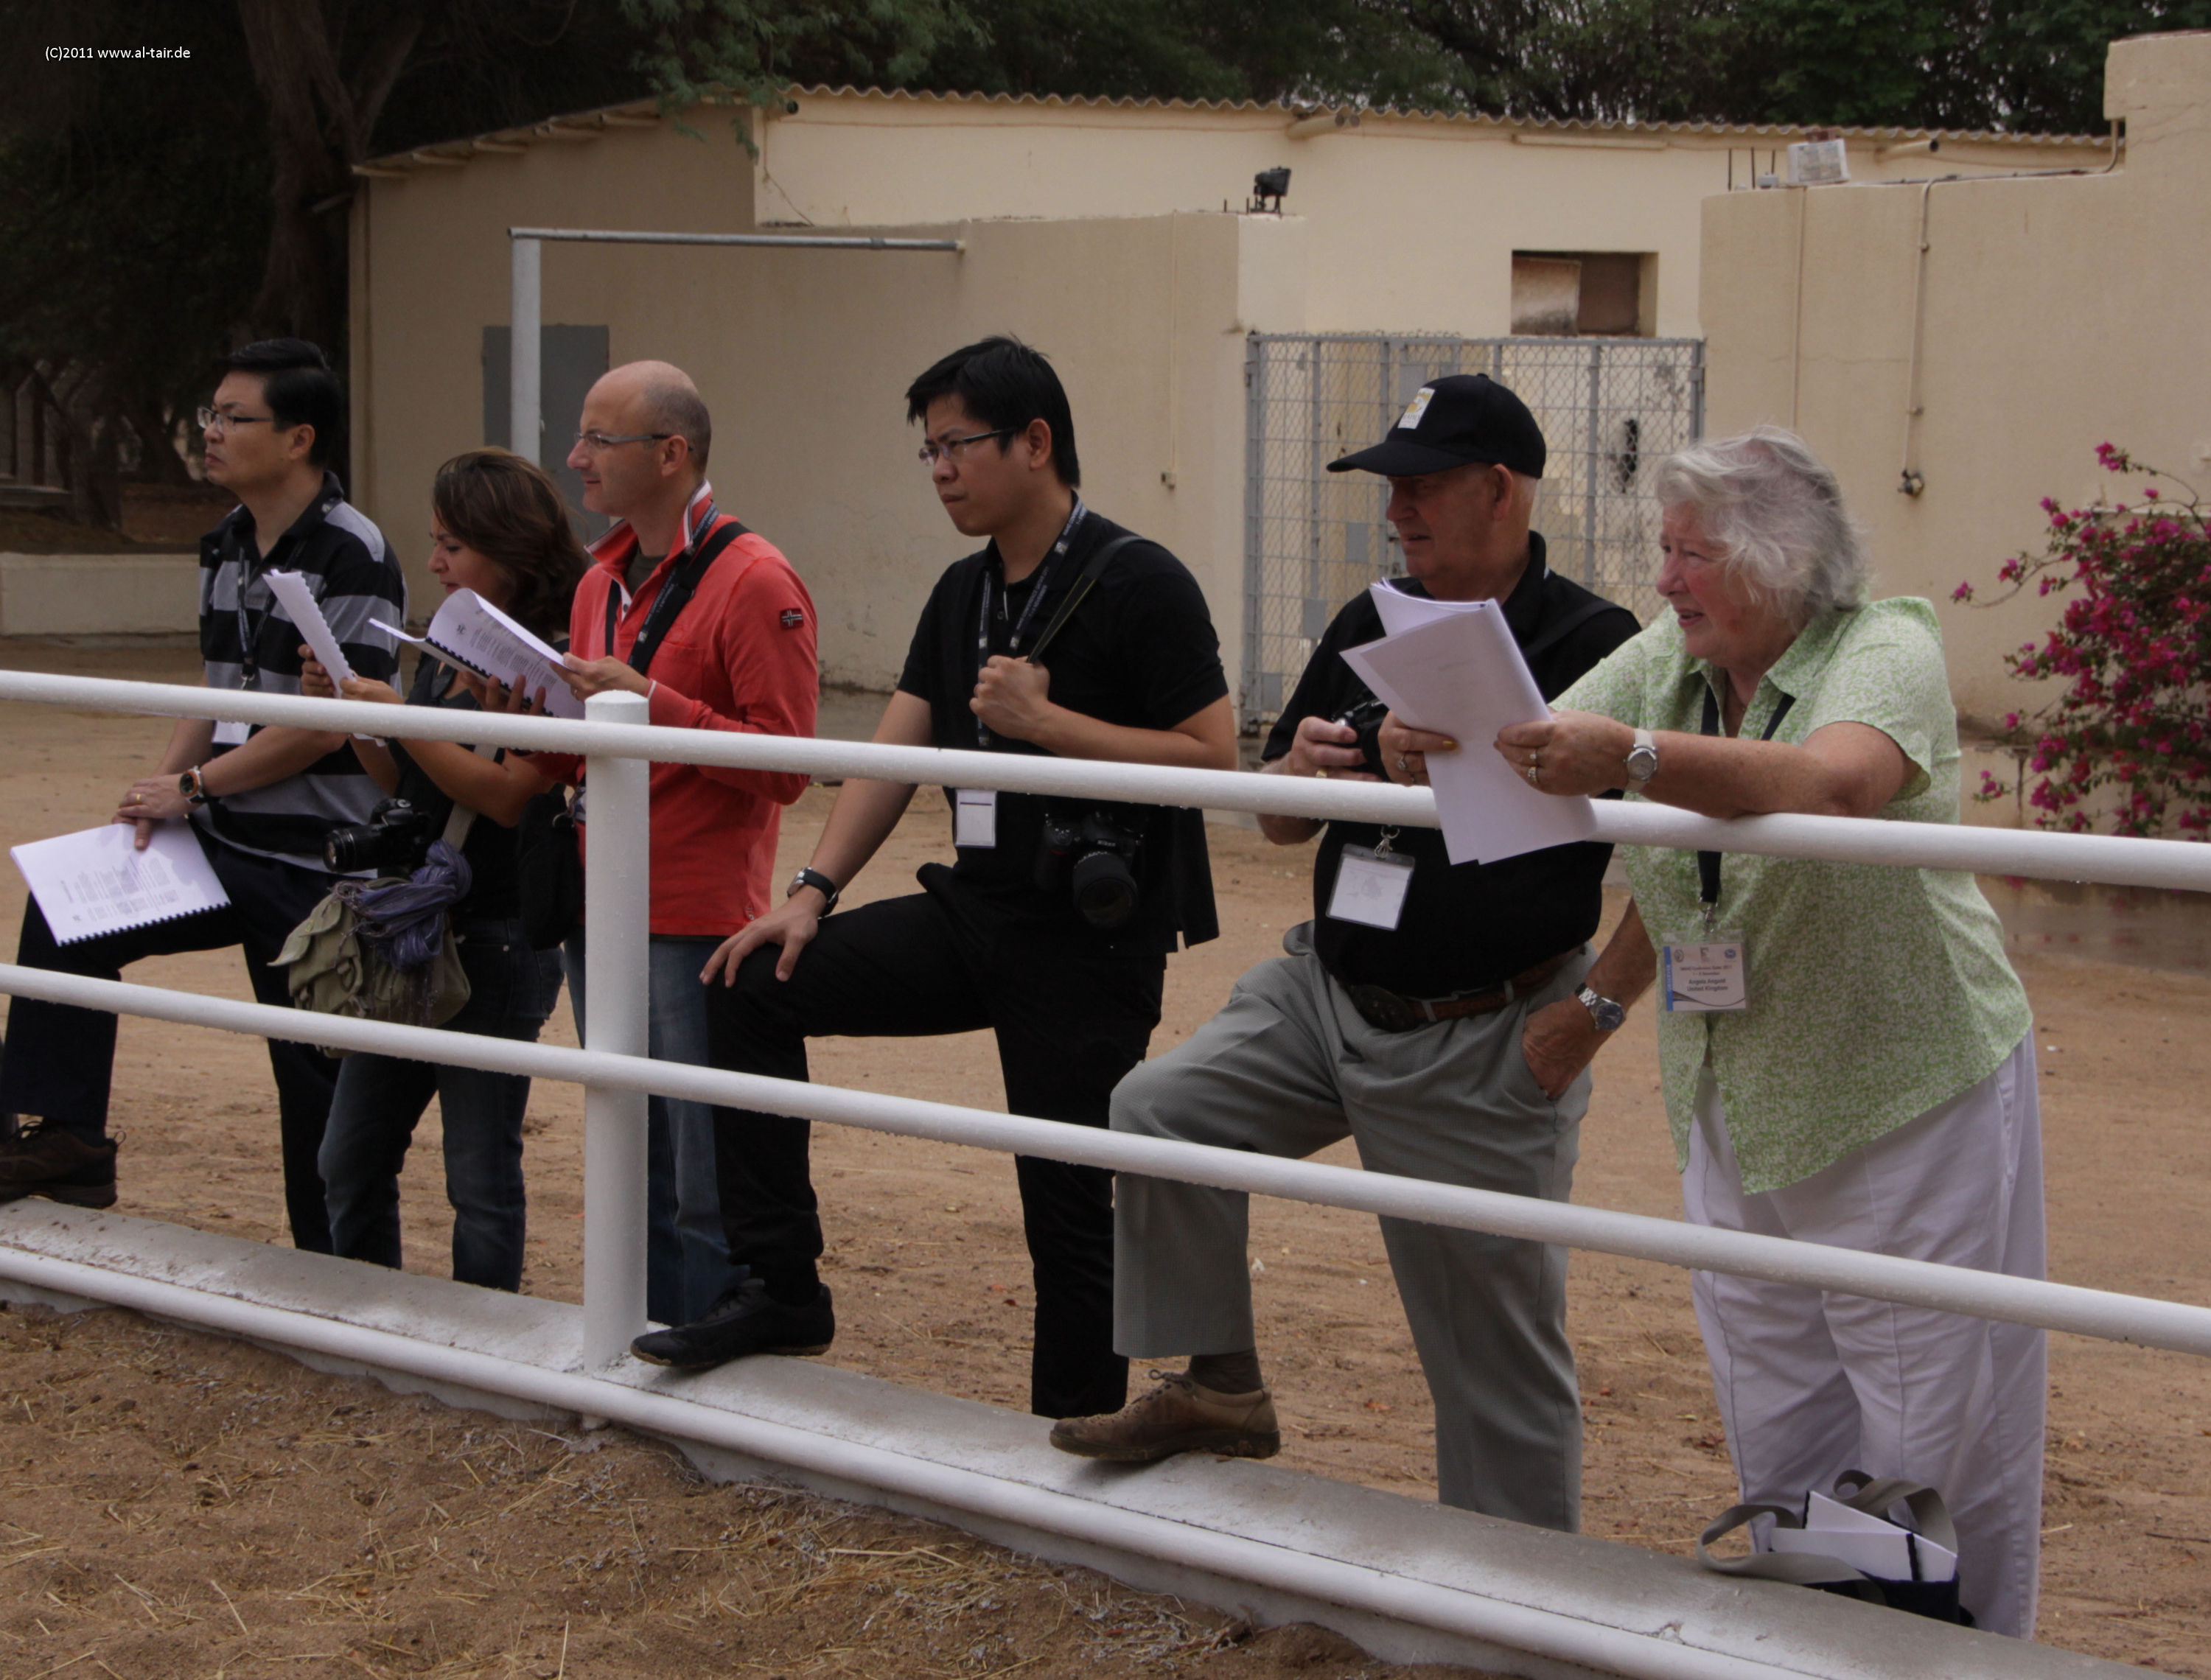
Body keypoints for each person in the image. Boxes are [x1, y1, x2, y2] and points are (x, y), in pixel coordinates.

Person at [1050, 374, 1641, 1535]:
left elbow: (1687, 862)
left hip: (1485, 1032)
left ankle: (1518, 1597)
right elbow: (1278, 819)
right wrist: (1311, 768)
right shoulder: (1373, 617)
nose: (1397, 510)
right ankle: (1221, 1387)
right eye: (1390, 488)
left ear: (1501, 491)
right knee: (1158, 1113)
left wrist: (1596, 1015)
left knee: (1495, 1359)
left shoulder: (1595, 643)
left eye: (1422, 486)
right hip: (1328, 994)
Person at [1492, 426, 2042, 1635]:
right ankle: (1815, 1637)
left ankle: (1939, 1649)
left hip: (1897, 1084)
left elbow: (1836, 784)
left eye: (1691, 555)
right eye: (1665, 550)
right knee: (1775, 1402)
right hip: (1734, 1087)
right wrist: (1408, 737)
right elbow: (1534, 738)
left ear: (1779, 560)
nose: (1665, 579)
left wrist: (1633, 758)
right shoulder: (1671, 657)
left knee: (1927, 1420)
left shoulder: (1885, 646)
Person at [632, 337, 1237, 1426]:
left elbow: (1214, 756)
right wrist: (809, 894)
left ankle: (1070, 1435)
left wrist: (1047, 724)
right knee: (753, 984)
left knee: (1065, 1202)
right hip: (977, 909)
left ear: (1035, 442)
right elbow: (894, 758)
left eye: (958, 446)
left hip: (1090, 940)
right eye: (931, 453)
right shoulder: (964, 591)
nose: (942, 471)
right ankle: (782, 1287)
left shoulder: (1140, 579)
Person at [0, 340, 405, 1243]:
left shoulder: (355, 551)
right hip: (222, 836)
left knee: (315, 1087)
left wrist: (190, 785)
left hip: (315, 864)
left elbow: (327, 726)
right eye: (209, 415)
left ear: (299, 437)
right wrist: (159, 788)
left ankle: (344, 1272)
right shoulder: (225, 539)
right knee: (64, 915)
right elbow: (214, 688)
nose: (211, 433)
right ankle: (68, 1140)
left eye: (232, 417)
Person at [506, 360, 817, 1328]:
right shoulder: (601, 580)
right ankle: (636, 1338)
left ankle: (705, 1344)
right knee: (626, 1152)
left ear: (672, 453)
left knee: (698, 1168)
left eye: (599, 439)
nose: (576, 457)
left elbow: (788, 764)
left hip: (695, 922)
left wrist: (652, 703)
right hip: (602, 907)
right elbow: (588, 754)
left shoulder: (753, 578)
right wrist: (523, 710)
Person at [301, 449, 583, 1291]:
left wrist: (403, 719)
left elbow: (506, 798)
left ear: (512, 548)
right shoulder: (448, 639)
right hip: (418, 923)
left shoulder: (554, 658)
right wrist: (358, 718)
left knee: (479, 1176)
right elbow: (414, 789)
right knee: (348, 1156)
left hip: (496, 934)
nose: (434, 563)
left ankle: (482, 1339)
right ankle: (367, 1317)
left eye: (453, 546)